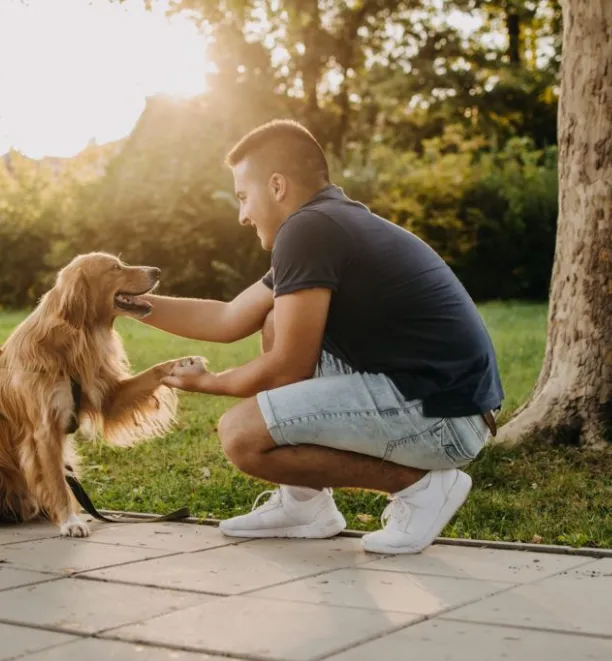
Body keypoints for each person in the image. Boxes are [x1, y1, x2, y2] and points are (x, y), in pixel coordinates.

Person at [138, 118, 503, 555]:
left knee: (242, 434)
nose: (242, 215)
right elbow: (229, 318)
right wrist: (127, 303)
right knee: (274, 319)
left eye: (243, 197)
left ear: (276, 186)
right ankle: (304, 504)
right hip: (446, 404)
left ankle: (422, 487)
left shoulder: (308, 230)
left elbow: (289, 366)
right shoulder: (324, 224)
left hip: (444, 417)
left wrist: (207, 383)